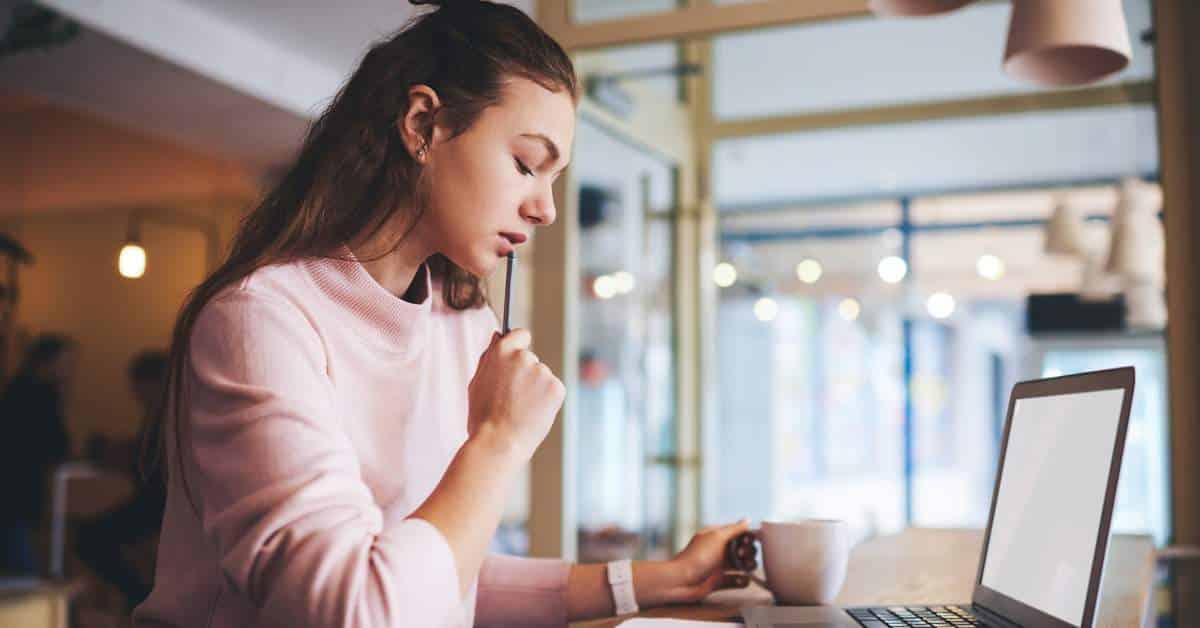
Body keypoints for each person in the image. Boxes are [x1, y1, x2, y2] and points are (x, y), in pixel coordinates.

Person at [135, 2, 750, 626]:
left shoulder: (461, 326)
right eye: (526, 164)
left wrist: (660, 580)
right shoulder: (261, 322)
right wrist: (498, 440)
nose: (547, 209)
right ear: (422, 124)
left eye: (555, 179)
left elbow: (446, 577)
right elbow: (358, 610)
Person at [77, 350, 168, 613]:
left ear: (151, 383)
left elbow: (146, 464)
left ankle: (139, 598)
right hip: (156, 504)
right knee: (91, 538)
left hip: (158, 506)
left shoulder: (162, 415)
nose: (134, 394)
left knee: (89, 540)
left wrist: (110, 453)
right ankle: (139, 597)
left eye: (137, 387)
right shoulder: (163, 413)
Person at [0, 333, 76, 575]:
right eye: (65, 362)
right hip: (18, 486)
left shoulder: (19, 387)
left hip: (14, 487)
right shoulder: (39, 395)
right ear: (48, 362)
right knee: (21, 562)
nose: (69, 369)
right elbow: (57, 444)